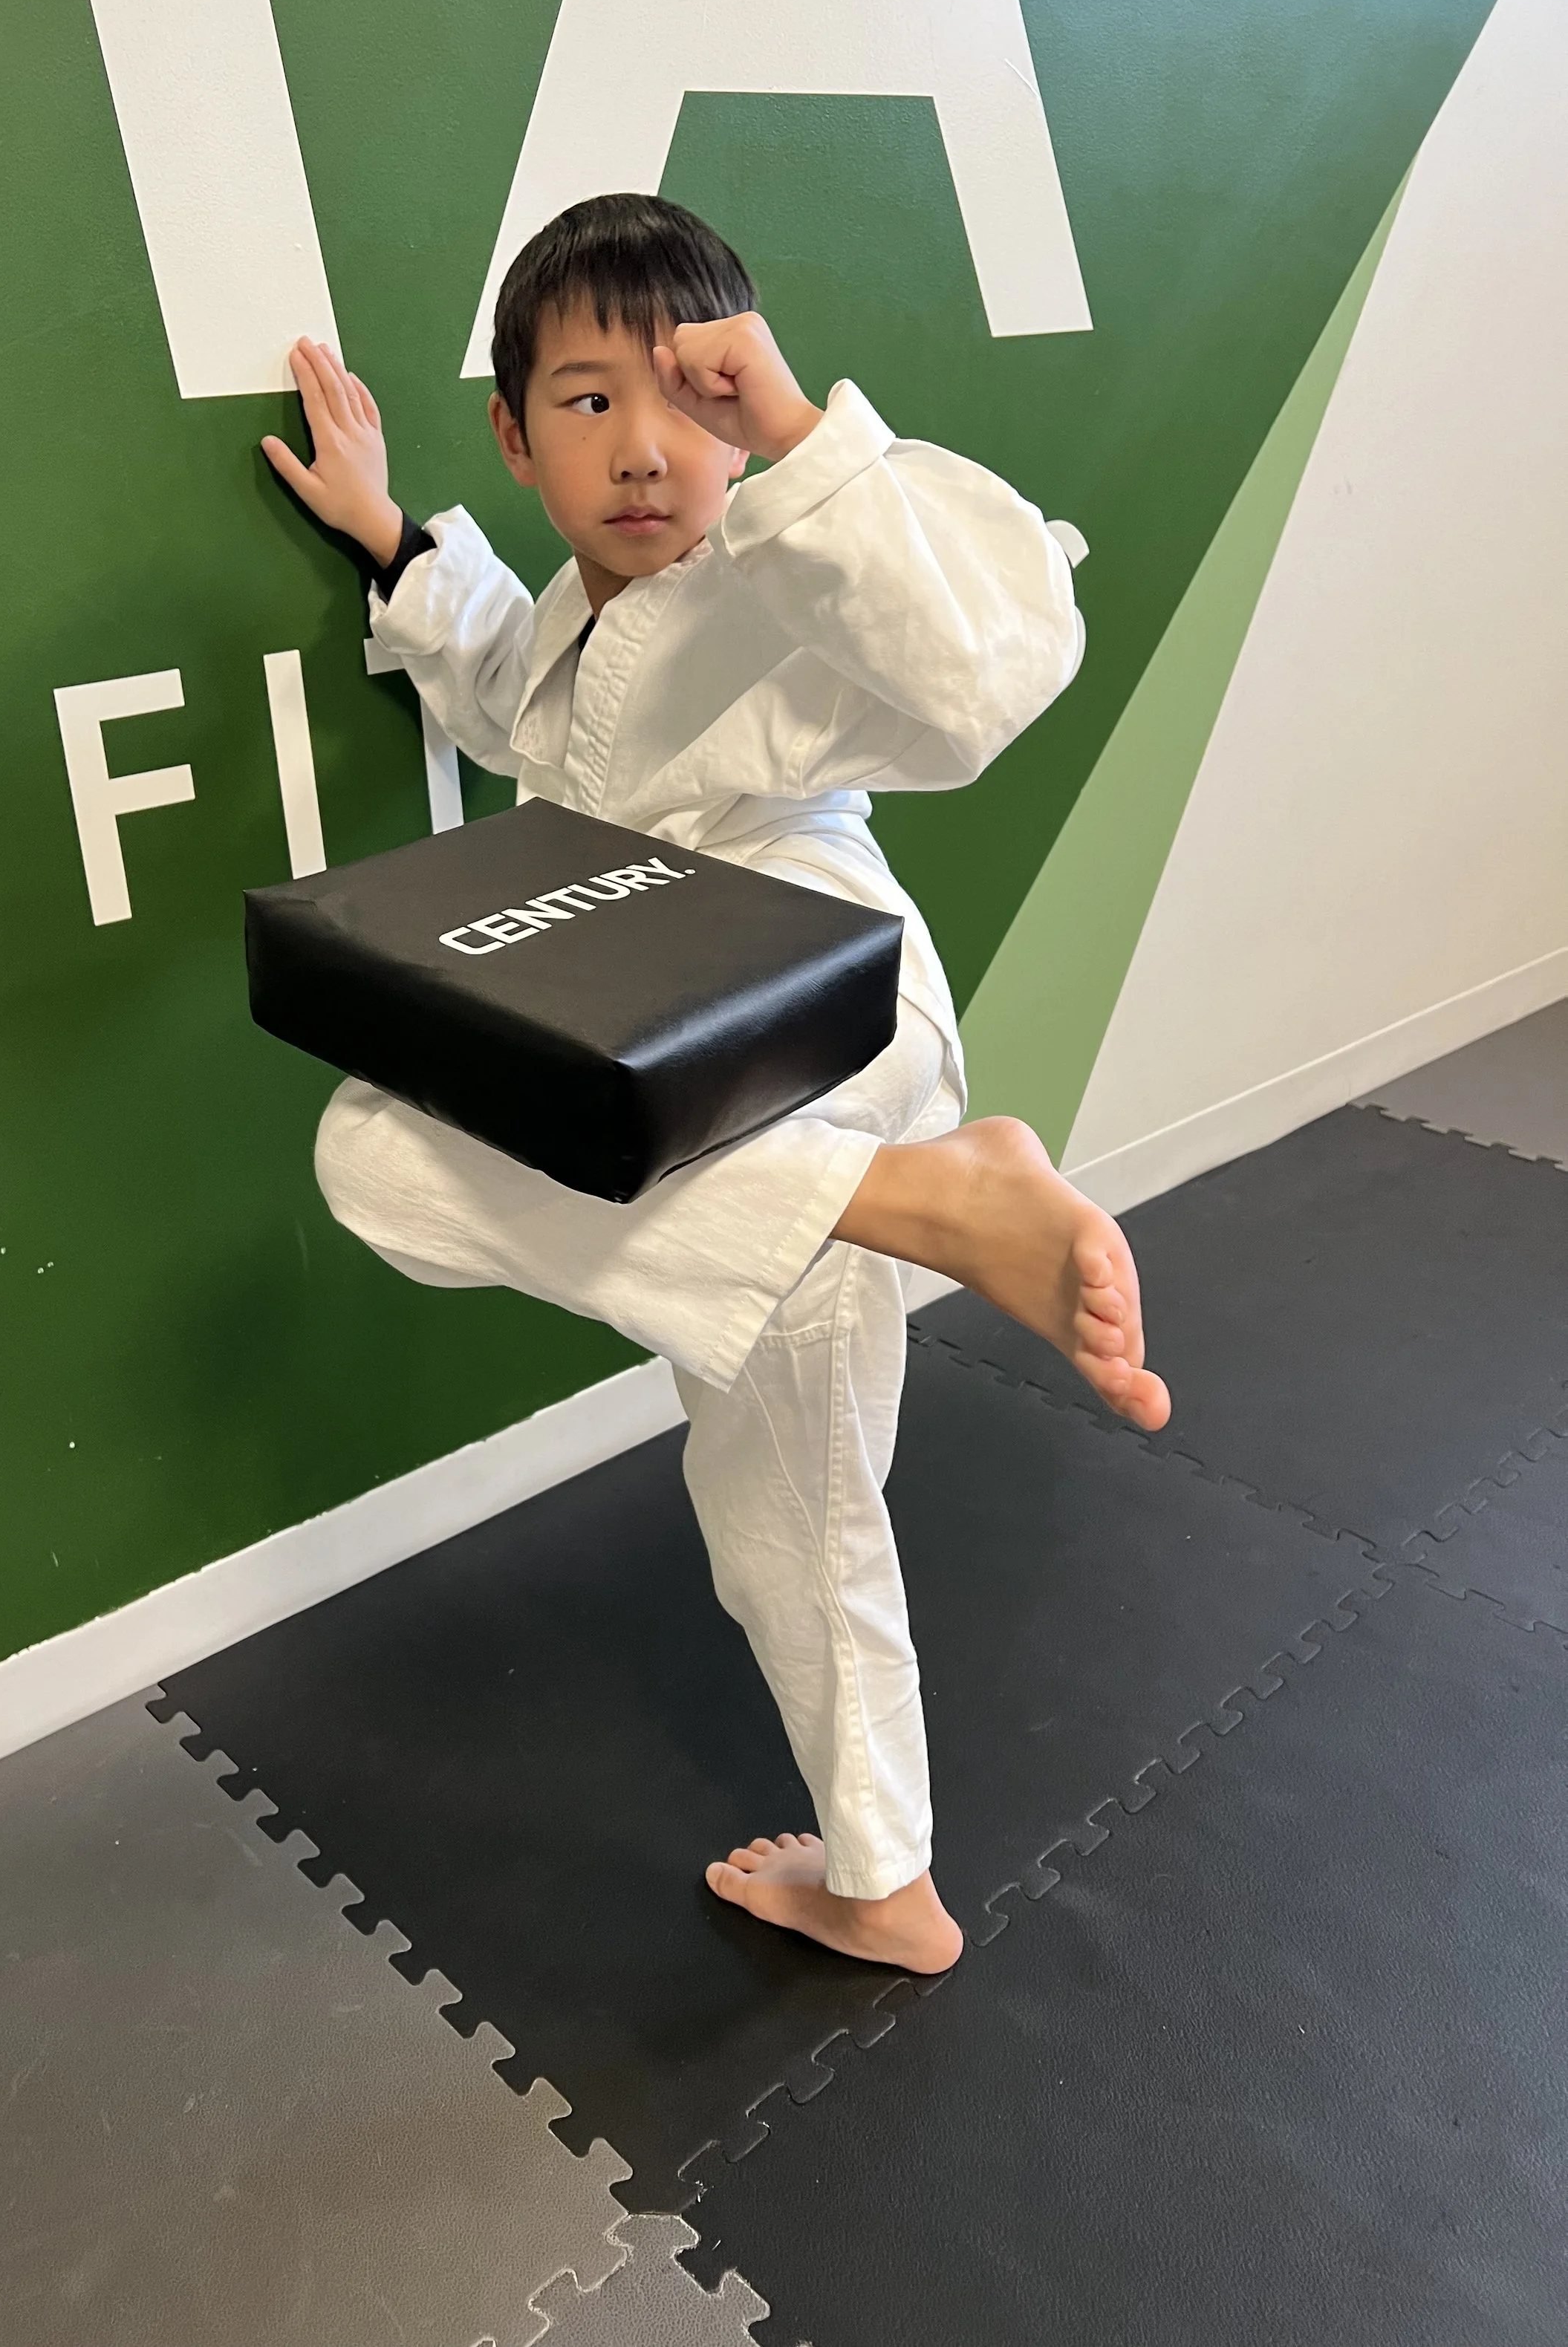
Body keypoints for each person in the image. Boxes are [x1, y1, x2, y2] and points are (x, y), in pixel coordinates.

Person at [260, 194, 1169, 1977]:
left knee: (804, 1512)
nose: (648, 449)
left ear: (744, 413)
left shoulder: (786, 576)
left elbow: (984, 674)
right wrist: (385, 533)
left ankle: (886, 1870)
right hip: (660, 1071)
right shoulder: (565, 627)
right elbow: (501, 686)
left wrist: (812, 447)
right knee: (373, 1151)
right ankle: (931, 1207)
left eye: (695, 396)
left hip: (815, 1027)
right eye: (588, 401)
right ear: (516, 439)